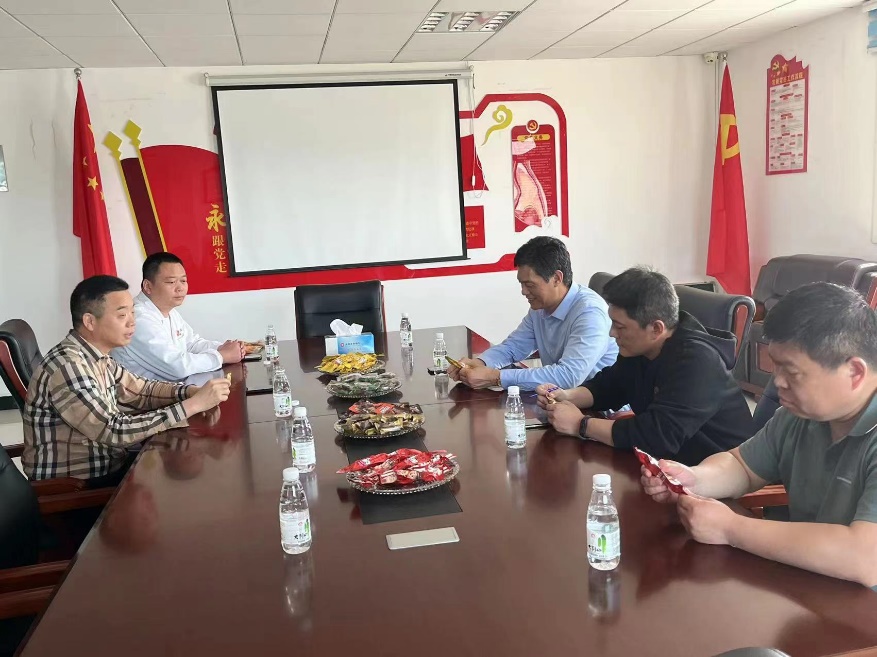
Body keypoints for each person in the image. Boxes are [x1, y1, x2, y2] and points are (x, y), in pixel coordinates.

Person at [641, 282, 877, 588]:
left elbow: (865, 557)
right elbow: (742, 465)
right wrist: (693, 480)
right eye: (775, 366)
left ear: (854, 373)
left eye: (791, 371)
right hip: (810, 584)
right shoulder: (800, 415)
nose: (777, 382)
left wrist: (731, 528)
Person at [22, 275, 230, 486]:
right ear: (90, 321)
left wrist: (189, 392)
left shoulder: (98, 356)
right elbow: (114, 430)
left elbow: (141, 390)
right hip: (77, 485)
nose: (132, 322)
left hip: (109, 462)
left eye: (132, 313)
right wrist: (193, 406)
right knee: (190, 484)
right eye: (122, 315)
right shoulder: (69, 366)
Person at [537, 266, 753, 465]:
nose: (612, 333)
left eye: (620, 326)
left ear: (656, 329)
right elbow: (611, 385)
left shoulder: (697, 362)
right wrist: (566, 396)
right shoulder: (641, 348)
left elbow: (658, 437)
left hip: (721, 474)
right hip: (670, 465)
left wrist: (581, 425)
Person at [448, 236, 618, 391]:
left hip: (600, 409)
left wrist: (496, 377)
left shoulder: (590, 313)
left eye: (529, 285)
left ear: (556, 278)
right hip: (561, 400)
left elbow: (568, 376)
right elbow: (513, 347)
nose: (523, 291)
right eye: (521, 284)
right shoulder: (541, 307)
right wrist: (480, 363)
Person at [112, 252, 244, 380]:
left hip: (172, 389)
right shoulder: (138, 318)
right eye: (171, 282)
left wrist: (223, 348)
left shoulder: (168, 311)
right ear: (148, 286)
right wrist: (222, 356)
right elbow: (177, 366)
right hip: (144, 394)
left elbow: (192, 344)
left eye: (183, 280)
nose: (180, 288)